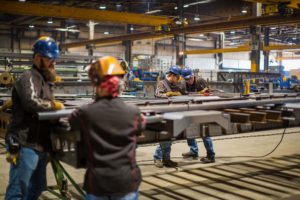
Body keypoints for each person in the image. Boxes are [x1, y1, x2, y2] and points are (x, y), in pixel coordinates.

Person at [68, 56, 145, 200]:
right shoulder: (134, 112)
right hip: (126, 183)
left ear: (96, 83)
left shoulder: (84, 113)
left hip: (98, 184)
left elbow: (72, 123)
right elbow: (140, 128)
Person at [5, 36, 64, 200]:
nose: (54, 63)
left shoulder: (45, 81)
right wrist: (54, 106)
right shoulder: (28, 76)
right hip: (25, 143)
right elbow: (31, 102)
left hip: (41, 144)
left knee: (38, 186)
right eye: (50, 59)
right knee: (18, 190)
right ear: (38, 58)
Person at [180, 66, 216, 163]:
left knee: (204, 133)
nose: (189, 81)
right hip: (190, 109)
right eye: (186, 79)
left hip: (202, 110)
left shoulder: (200, 81)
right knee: (190, 131)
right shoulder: (183, 83)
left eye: (190, 78)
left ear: (193, 76)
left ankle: (211, 155)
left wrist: (204, 93)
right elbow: (182, 96)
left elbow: (210, 94)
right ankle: (193, 151)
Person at [153, 65, 183, 168]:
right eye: (177, 77)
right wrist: (167, 94)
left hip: (172, 112)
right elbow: (157, 94)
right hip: (163, 113)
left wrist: (179, 94)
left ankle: (166, 159)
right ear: (173, 75)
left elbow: (181, 93)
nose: (178, 80)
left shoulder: (174, 84)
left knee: (169, 137)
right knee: (164, 137)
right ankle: (157, 157)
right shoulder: (162, 83)